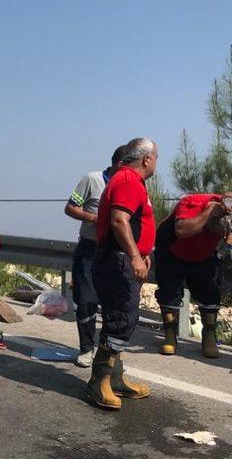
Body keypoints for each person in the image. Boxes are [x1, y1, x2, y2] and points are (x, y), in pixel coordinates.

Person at [87, 138, 158, 410]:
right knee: (121, 319)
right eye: (156, 157)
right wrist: (134, 255)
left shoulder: (129, 180)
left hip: (120, 260)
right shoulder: (128, 180)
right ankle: (98, 382)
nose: (156, 162)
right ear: (145, 159)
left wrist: (143, 251)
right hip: (117, 261)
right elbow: (119, 220)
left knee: (122, 319)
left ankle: (114, 378)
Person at [65, 145, 126, 367]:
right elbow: (70, 208)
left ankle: (107, 351)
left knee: (113, 304)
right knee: (86, 300)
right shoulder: (92, 180)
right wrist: (94, 218)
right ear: (120, 163)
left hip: (115, 252)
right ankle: (86, 348)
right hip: (90, 250)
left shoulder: (129, 186)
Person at [154, 192, 231, 358]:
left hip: (202, 255)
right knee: (169, 294)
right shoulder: (192, 202)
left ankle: (209, 337)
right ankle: (170, 336)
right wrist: (208, 213)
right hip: (172, 252)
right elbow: (181, 230)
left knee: (210, 294)